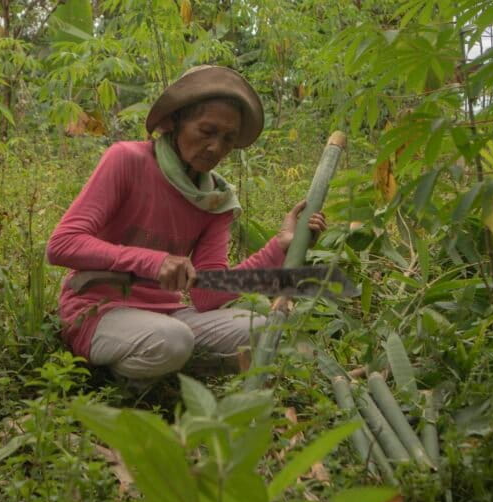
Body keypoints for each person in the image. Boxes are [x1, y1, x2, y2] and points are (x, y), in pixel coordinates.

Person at [47, 65, 326, 384]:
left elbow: (208, 294)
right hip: (98, 310)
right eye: (206, 131)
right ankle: (127, 379)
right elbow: (62, 244)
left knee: (264, 327)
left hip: (168, 316)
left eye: (228, 139)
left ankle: (166, 367)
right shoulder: (127, 160)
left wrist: (280, 246)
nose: (216, 148)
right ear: (175, 122)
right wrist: (153, 262)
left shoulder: (214, 200)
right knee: (173, 340)